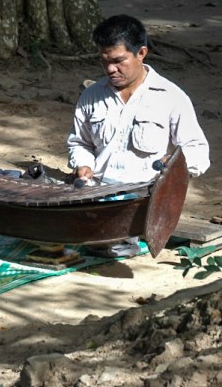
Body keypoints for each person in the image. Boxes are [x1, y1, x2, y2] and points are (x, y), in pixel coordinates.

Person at [67, 15, 210, 257]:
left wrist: (175, 165)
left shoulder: (171, 96)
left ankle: (120, 238)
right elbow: (79, 142)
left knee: (97, 236)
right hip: (96, 193)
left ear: (141, 53)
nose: (111, 69)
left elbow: (198, 150)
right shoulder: (91, 96)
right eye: (104, 62)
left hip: (143, 199)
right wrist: (83, 163)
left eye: (119, 61)